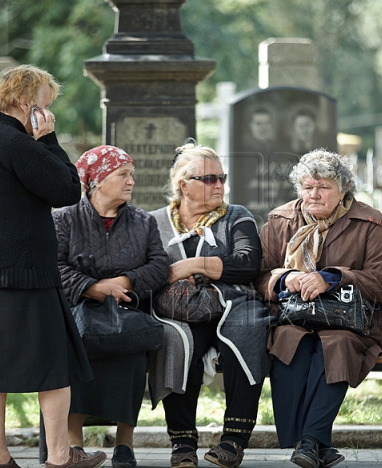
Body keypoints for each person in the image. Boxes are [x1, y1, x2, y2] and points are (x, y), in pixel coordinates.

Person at [0, 65, 106, 468]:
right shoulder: (19, 143)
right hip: (25, 275)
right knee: (55, 365)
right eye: (46, 105)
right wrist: (49, 139)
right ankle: (58, 457)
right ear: (25, 103)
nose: (50, 112)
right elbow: (68, 190)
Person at [256, 149, 382, 468]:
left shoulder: (369, 222)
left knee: (336, 344)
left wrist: (332, 277)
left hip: (351, 321)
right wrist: (285, 278)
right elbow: (260, 277)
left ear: (343, 189)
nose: (314, 194)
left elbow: (381, 280)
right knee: (293, 342)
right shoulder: (281, 221)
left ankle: (308, 441)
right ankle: (315, 443)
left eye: (324, 187)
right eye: (307, 187)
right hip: (293, 317)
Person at [149, 141, 271, 468]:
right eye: (209, 179)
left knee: (246, 330)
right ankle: (182, 442)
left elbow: (247, 264)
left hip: (233, 303)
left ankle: (233, 440)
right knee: (176, 340)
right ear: (183, 185)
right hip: (177, 311)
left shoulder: (236, 216)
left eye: (222, 177)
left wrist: (193, 266)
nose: (219, 185)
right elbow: (145, 269)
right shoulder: (155, 223)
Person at [52, 145, 170, 468]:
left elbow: (160, 267)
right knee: (73, 352)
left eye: (131, 175)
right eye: (123, 175)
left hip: (127, 314)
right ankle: (73, 444)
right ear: (98, 181)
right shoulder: (64, 218)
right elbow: (54, 266)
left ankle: (125, 445)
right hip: (78, 311)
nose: (131, 181)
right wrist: (94, 287)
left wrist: (125, 283)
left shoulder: (143, 222)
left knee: (132, 356)